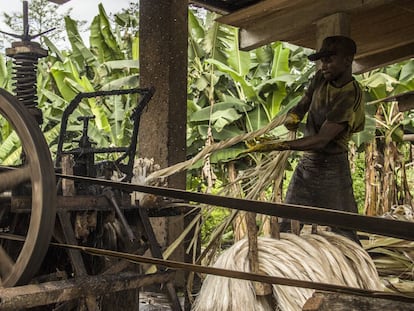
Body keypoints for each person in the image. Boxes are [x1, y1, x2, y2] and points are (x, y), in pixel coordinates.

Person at [246, 35, 364, 244]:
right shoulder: (320, 77)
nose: (324, 65)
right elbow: (305, 101)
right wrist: (295, 115)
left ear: (347, 61)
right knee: (287, 224)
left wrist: (278, 145)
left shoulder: (350, 95)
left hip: (332, 168)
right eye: (322, 60)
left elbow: (321, 140)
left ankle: (358, 271)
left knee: (345, 230)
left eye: (330, 59)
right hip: (308, 164)